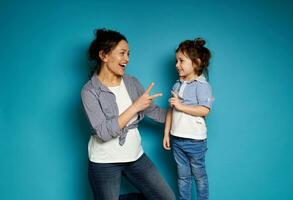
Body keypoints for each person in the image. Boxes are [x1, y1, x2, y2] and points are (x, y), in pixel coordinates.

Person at [81, 28, 175, 200]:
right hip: (104, 163)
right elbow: (103, 132)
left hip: (135, 158)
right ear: (104, 56)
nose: (127, 59)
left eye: (128, 54)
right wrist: (135, 107)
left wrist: (183, 114)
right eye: (122, 53)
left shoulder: (132, 82)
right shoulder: (89, 91)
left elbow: (152, 111)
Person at [163, 38, 214, 200]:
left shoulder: (202, 85)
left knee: (199, 176)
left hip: (195, 141)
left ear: (196, 62)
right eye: (176, 61)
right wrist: (166, 134)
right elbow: (170, 111)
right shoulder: (177, 84)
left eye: (181, 61)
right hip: (177, 138)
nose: (177, 65)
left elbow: (204, 110)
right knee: (183, 176)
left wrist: (181, 106)